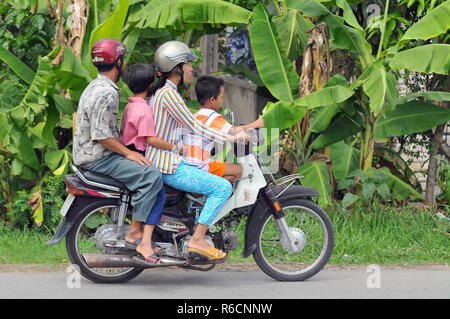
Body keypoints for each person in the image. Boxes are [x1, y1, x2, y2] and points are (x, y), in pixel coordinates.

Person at [147, 40, 249, 260]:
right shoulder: (168, 95)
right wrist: (232, 136)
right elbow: (196, 127)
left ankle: (194, 231)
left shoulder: (163, 94)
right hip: (167, 165)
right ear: (177, 68)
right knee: (221, 187)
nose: (191, 69)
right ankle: (198, 240)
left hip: (171, 160)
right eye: (188, 64)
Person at [72, 38, 163, 264]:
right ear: (119, 62)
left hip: (91, 154)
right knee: (151, 175)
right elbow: (102, 136)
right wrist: (127, 153)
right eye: (123, 60)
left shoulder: (96, 85)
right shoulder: (107, 92)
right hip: (98, 157)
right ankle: (135, 232)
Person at [182, 75, 264, 182]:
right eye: (221, 97)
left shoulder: (197, 115)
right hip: (200, 166)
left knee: (231, 173)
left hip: (189, 163)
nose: (222, 101)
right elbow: (234, 131)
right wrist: (255, 124)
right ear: (212, 99)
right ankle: (205, 191)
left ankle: (204, 192)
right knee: (241, 170)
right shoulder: (212, 116)